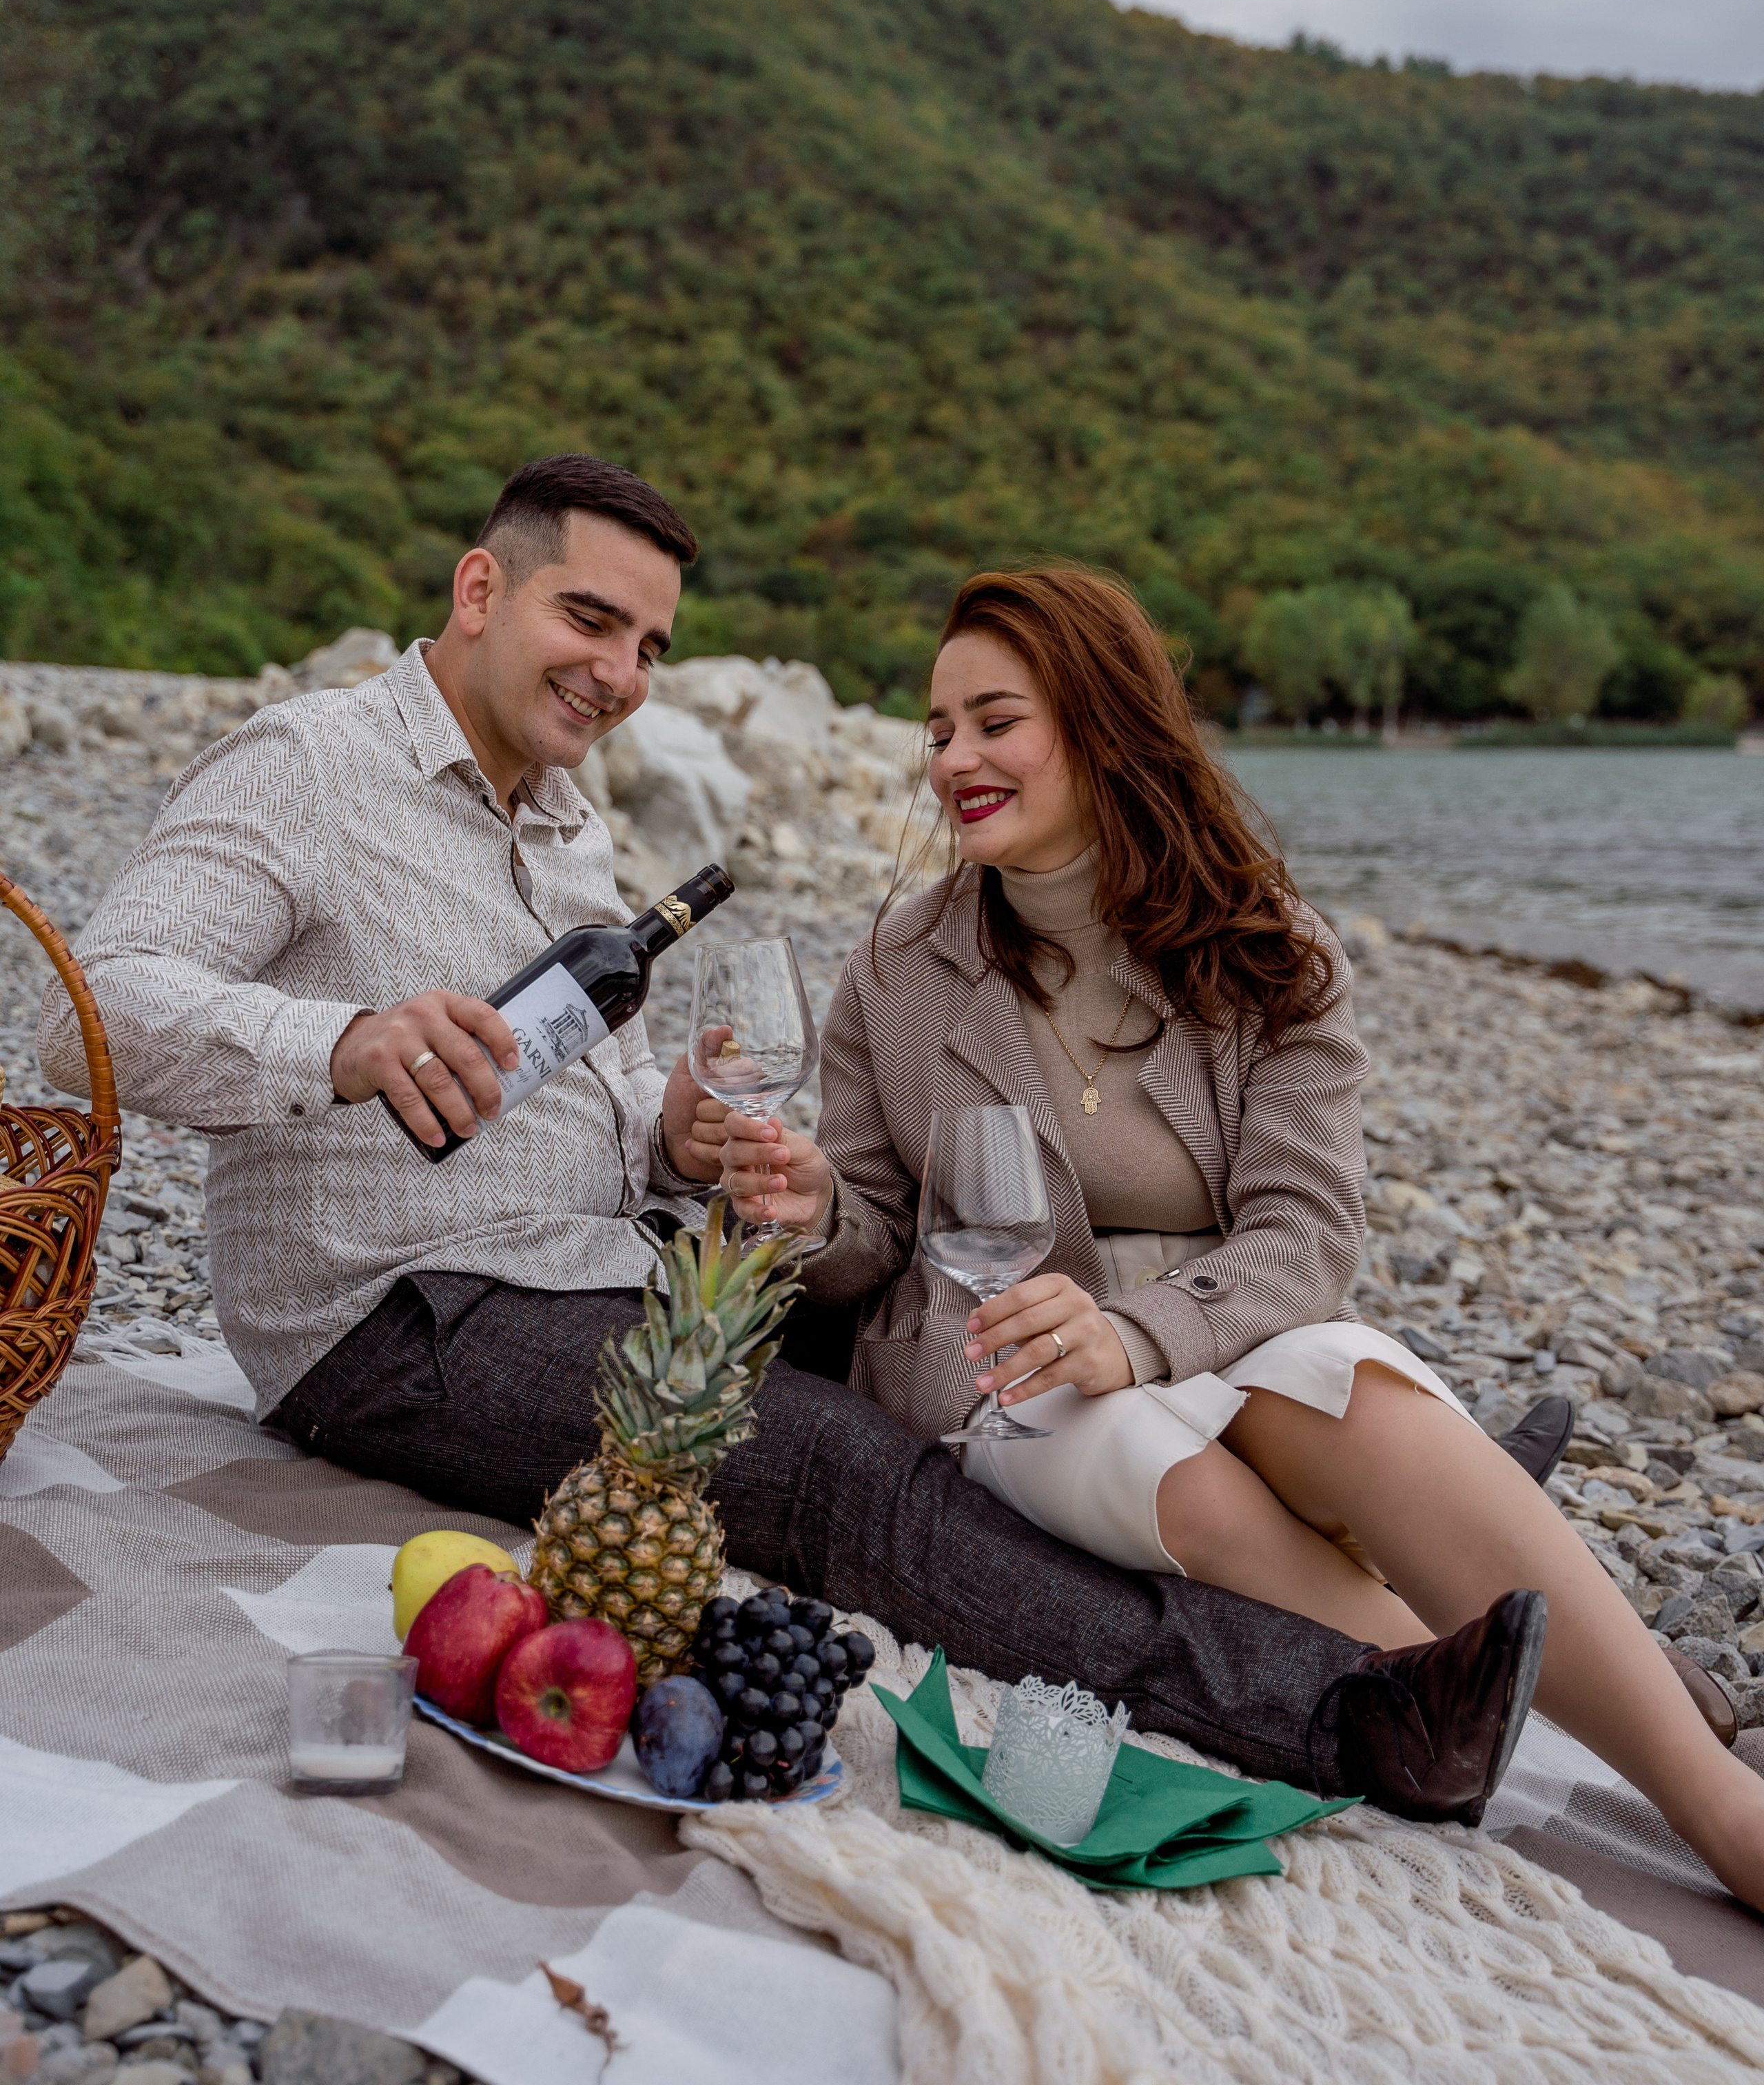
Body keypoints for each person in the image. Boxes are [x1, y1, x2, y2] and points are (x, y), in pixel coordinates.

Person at [44, 459, 1543, 1826]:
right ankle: (1349, 1712)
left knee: (919, 1346)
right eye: (591, 618)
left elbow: (602, 1105)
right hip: (396, 1313)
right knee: (836, 1471)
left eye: (649, 647)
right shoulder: (305, 767)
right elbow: (89, 1009)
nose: (621, 673)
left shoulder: (564, 823)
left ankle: (1379, 1537)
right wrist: (346, 1041)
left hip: (597, 1270)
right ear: (478, 588)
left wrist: (677, 1128)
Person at [710, 563, 1764, 1908]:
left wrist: (1138, 1333)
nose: (951, 759)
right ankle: (1573, 1736)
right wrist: (813, 1215)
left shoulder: (1271, 955)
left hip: (1221, 1330)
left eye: (993, 720)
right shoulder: (895, 971)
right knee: (1185, 1481)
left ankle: (1716, 1799)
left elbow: (1302, 1238)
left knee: (1360, 1396)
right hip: (1003, 1364)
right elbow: (872, 1250)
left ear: (1098, 724)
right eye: (936, 730)